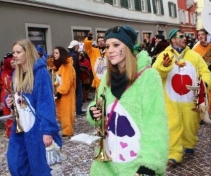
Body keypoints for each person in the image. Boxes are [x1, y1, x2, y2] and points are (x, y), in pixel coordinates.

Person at [87, 26, 169, 176]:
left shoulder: (149, 77)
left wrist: (148, 165)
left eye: (116, 45)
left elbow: (155, 124)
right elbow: (98, 103)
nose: (109, 50)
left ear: (129, 48)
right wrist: (93, 112)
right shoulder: (107, 76)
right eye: (107, 46)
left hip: (135, 164)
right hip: (106, 163)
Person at [153, 29, 211, 166]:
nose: (184, 38)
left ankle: (190, 142)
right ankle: (174, 153)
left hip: (190, 99)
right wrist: (164, 66)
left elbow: (205, 71)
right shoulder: (164, 55)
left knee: (191, 124)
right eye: (180, 36)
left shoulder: (194, 55)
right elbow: (155, 72)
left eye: (184, 36)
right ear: (173, 39)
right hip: (170, 100)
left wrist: (205, 83)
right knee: (172, 125)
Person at [6, 39, 61, 175]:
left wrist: (47, 131)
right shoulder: (16, 74)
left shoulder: (40, 73)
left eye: (18, 52)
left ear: (28, 52)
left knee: (39, 167)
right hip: (20, 127)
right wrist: (9, 101)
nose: (15, 55)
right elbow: (16, 97)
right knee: (16, 163)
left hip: (36, 128)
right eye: (13, 52)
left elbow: (46, 103)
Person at [53, 46, 76, 137]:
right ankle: (66, 128)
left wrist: (61, 91)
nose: (54, 55)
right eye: (54, 53)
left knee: (66, 112)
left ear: (61, 54)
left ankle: (68, 130)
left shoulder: (67, 66)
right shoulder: (58, 66)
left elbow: (67, 81)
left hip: (66, 94)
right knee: (61, 112)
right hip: (59, 93)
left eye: (57, 53)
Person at [193, 28, 211, 114]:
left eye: (202, 34)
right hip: (202, 74)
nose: (200, 36)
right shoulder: (195, 49)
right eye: (199, 35)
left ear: (207, 35)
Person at [0, 53, 16, 137]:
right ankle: (10, 133)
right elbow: (8, 86)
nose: (14, 64)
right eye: (12, 63)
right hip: (7, 94)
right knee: (8, 114)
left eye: (14, 62)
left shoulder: (13, 72)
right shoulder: (5, 74)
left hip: (11, 93)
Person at [68, 40, 86, 115]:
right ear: (76, 46)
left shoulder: (68, 54)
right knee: (79, 94)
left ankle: (72, 109)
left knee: (72, 94)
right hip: (76, 77)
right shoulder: (75, 55)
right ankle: (78, 110)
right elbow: (74, 67)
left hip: (70, 77)